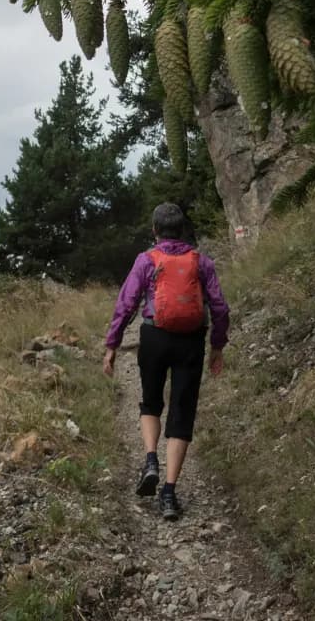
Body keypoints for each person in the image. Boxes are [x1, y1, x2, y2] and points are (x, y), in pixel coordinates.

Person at [102, 202, 230, 520]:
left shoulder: (146, 260)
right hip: (191, 341)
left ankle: (150, 460)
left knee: (150, 403)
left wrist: (112, 344)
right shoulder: (201, 262)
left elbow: (126, 303)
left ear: (155, 230)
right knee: (181, 413)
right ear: (183, 230)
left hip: (154, 337)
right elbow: (219, 307)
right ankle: (169, 494)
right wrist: (217, 345)